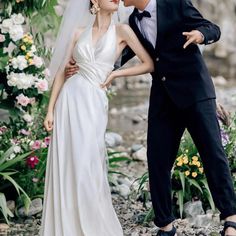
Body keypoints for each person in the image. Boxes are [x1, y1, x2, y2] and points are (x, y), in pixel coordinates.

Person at [65, 0, 236, 235]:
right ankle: (166, 223)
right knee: (157, 158)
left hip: (195, 90)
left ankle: (230, 217)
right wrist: (86, 63)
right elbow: (122, 53)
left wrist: (200, 34)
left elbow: (212, 28)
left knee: (212, 152)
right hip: (163, 98)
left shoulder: (175, 4)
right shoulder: (134, 20)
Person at [40, 0, 154, 235]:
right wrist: (50, 110)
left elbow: (149, 63)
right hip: (68, 101)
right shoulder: (78, 32)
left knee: (88, 161)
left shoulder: (122, 30)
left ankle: (91, 224)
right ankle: (66, 225)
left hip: (93, 100)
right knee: (68, 161)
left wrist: (115, 73)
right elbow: (62, 72)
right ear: (94, 1)